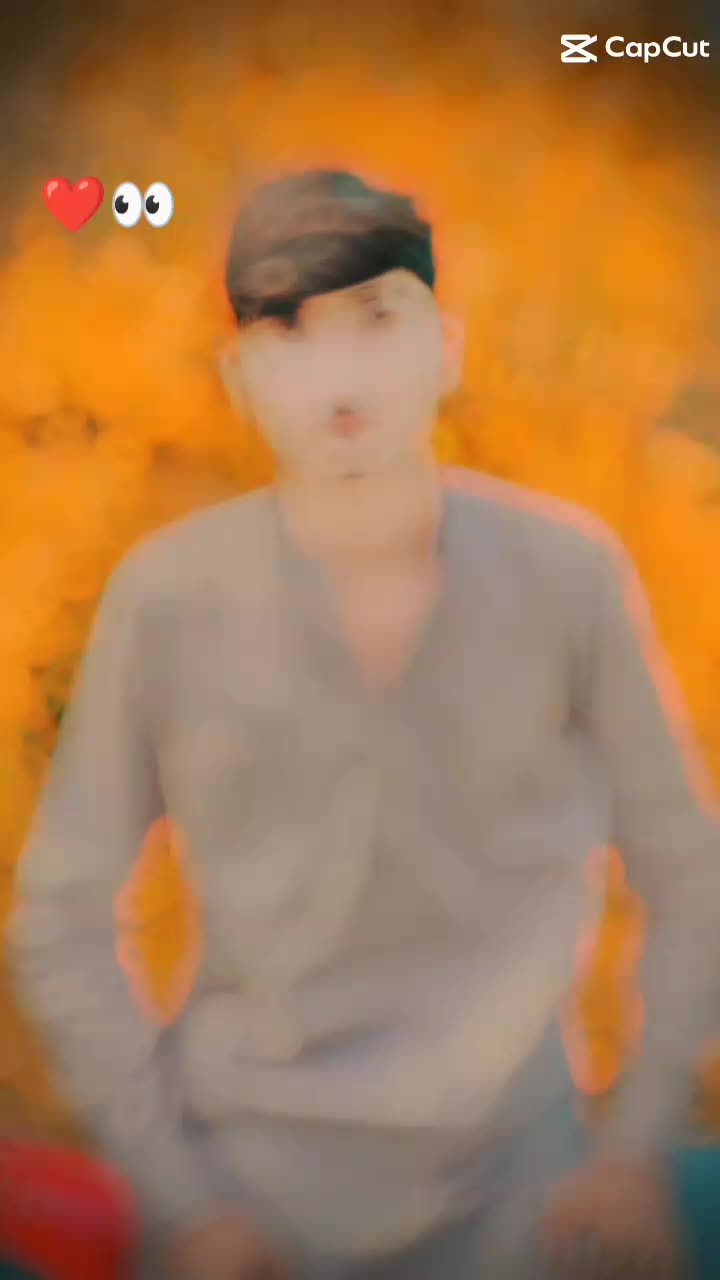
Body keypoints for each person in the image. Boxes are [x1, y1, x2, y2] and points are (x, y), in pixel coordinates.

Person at [6, 168, 720, 1279]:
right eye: (289, 330)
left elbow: (690, 869)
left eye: (377, 318)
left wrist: (630, 1151)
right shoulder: (169, 595)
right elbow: (59, 913)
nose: (338, 372)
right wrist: (181, 1200)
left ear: (447, 348)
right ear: (238, 377)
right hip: (244, 1204)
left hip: (528, 1196)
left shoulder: (567, 573)